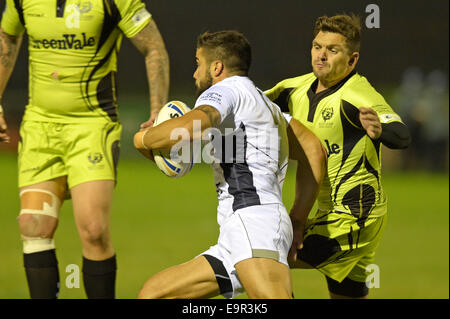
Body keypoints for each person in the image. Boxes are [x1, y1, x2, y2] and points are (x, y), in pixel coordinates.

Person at [134, 30, 326, 299]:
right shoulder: (263, 104)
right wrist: (297, 219)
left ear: (217, 67)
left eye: (198, 64)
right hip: (238, 232)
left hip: (253, 221)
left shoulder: (225, 91)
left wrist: (142, 138)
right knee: (153, 294)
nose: (194, 73)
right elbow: (313, 148)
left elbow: (192, 125)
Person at [0, 0, 169, 299]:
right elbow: (7, 39)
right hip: (40, 126)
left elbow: (153, 47)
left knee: (93, 229)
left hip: (92, 126)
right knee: (32, 224)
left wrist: (158, 109)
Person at [265, 14, 411, 299]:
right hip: (333, 212)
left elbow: (402, 135)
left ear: (352, 60)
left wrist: (381, 130)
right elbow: (248, 103)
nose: (321, 55)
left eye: (332, 50)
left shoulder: (359, 94)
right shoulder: (294, 88)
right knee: (346, 294)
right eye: (317, 46)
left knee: (268, 260)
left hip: (355, 214)